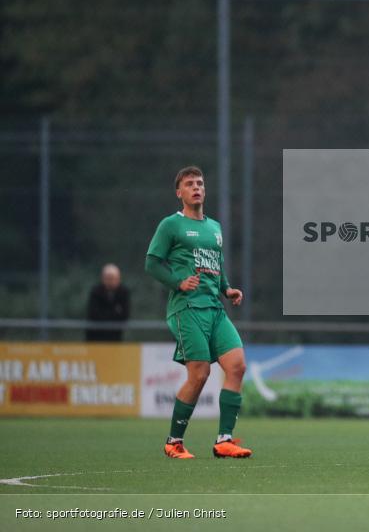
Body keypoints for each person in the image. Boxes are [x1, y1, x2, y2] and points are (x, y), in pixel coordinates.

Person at [145, 165, 251, 459]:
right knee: (200, 373)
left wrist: (226, 289)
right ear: (179, 193)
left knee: (237, 366)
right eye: (190, 183)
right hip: (187, 308)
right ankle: (174, 442)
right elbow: (152, 263)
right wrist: (178, 282)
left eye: (200, 183)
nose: (196, 187)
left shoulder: (214, 227)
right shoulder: (171, 225)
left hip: (214, 308)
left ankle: (224, 440)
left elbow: (216, 264)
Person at [85, 263, 130, 342]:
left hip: (115, 338)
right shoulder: (96, 291)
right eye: (109, 278)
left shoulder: (123, 292)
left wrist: (105, 313)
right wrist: (115, 313)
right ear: (103, 278)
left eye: (113, 278)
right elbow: (93, 314)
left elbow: (124, 315)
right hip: (95, 337)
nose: (111, 281)